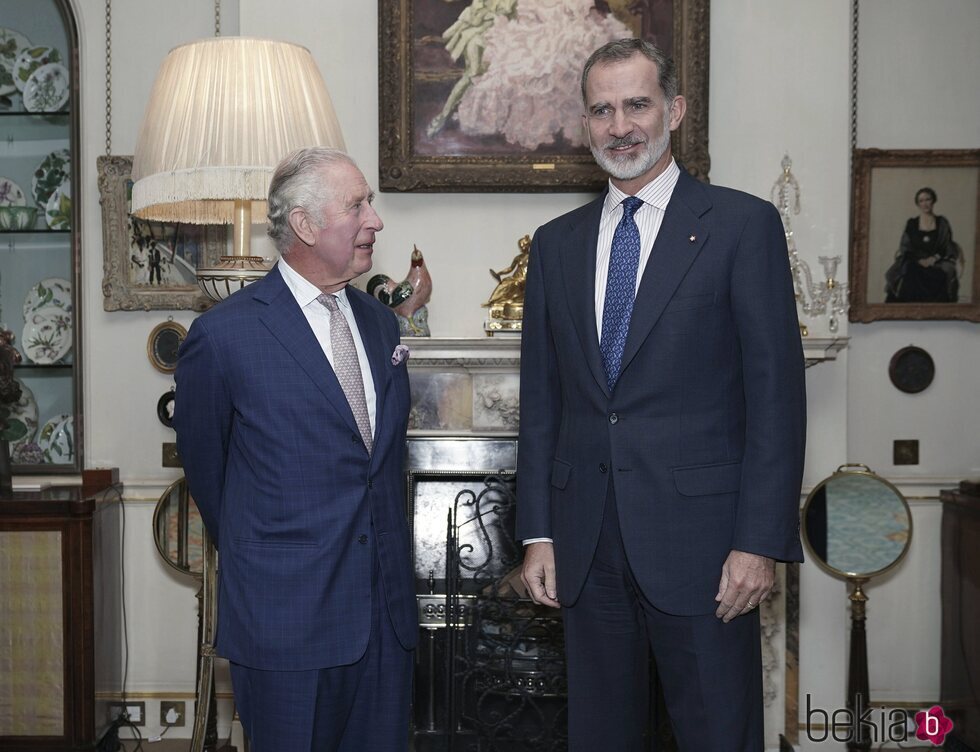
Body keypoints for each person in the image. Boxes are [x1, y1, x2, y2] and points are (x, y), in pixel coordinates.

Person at [517, 39, 806, 751]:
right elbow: (543, 401)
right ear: (586, 126)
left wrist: (758, 542)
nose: (621, 125)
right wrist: (537, 533)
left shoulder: (743, 227)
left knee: (716, 733)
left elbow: (777, 399)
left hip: (708, 554)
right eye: (603, 110)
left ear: (674, 110)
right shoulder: (555, 245)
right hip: (586, 551)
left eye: (637, 104)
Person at [173, 147, 417, 752]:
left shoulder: (381, 324)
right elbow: (209, 473)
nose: (375, 220)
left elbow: (380, 466)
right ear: (306, 224)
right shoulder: (224, 335)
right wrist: (274, 565)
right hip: (286, 624)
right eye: (357, 205)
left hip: (384, 621)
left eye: (371, 203)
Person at [885, 187, 960, 303]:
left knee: (943, 273)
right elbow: (906, 247)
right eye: (921, 201)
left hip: (937, 262)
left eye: (928, 199)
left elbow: (947, 245)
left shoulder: (942, 222)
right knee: (909, 271)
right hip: (914, 261)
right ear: (918, 204)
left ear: (933, 201)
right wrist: (919, 260)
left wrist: (934, 258)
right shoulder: (912, 223)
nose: (925, 204)